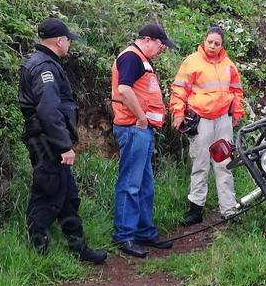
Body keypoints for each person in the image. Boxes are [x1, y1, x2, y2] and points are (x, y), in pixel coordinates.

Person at [18, 17, 107, 264]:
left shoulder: (44, 63)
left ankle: (78, 248)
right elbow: (48, 111)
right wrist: (64, 145)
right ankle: (39, 254)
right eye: (68, 39)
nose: (69, 43)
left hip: (49, 139)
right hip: (48, 142)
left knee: (68, 196)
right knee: (46, 194)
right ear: (59, 40)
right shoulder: (44, 67)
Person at [110, 23, 176, 258]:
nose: (161, 49)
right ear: (147, 39)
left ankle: (144, 231)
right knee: (131, 183)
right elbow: (125, 90)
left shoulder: (140, 59)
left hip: (143, 130)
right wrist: (141, 117)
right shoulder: (131, 57)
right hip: (133, 128)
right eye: (160, 45)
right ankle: (125, 236)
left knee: (145, 184)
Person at [170, 26, 245, 226]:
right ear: (204, 41)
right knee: (200, 163)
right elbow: (179, 90)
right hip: (201, 119)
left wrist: (237, 112)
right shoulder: (191, 61)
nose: (212, 46)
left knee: (224, 165)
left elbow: (236, 91)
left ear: (222, 45)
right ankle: (195, 210)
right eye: (210, 42)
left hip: (223, 120)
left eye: (217, 43)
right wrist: (178, 113)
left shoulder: (229, 65)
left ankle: (229, 210)